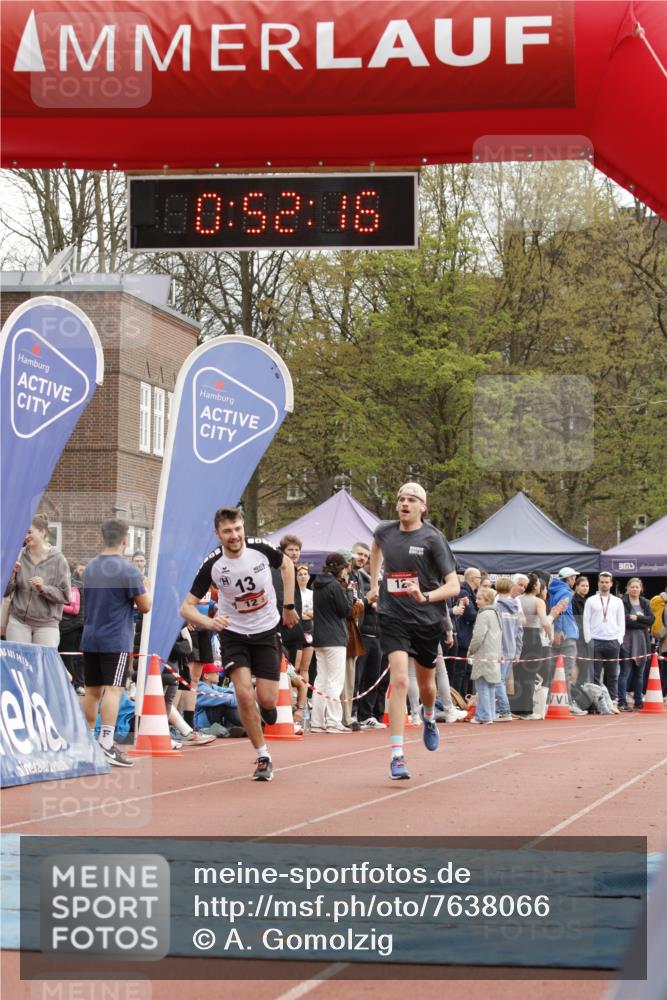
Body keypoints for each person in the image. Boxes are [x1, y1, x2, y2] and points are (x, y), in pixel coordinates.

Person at [180, 506, 299, 782]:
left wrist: (289, 605)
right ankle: (263, 756)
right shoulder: (212, 564)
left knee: (267, 701)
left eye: (237, 529)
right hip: (234, 635)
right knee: (244, 694)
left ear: (243, 527)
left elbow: (287, 565)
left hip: (267, 631)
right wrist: (210, 623)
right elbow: (186, 608)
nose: (234, 536)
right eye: (227, 532)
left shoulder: (260, 548)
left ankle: (267, 711)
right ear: (217, 534)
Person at [368, 482, 459, 780]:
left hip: (426, 618)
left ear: (423, 506)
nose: (404, 503)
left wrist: (425, 597)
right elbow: (376, 546)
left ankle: (429, 717)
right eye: (400, 499)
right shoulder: (385, 530)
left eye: (411, 500)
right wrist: (373, 584)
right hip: (392, 615)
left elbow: (454, 586)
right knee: (399, 680)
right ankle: (397, 755)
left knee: (427, 687)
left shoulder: (433, 538)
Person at [81, 520, 151, 766]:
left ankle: (88, 740)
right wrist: (146, 588)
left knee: (92, 690)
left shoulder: (90, 566)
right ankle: (107, 744)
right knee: (114, 688)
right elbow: (145, 606)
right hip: (114, 637)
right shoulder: (128, 569)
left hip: (90, 634)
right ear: (125, 539)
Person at [5, 513, 71, 647]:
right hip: (18, 622)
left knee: (41, 666)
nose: (25, 536)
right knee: (18, 665)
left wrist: (43, 589)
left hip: (46, 625)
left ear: (42, 532)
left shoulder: (58, 559)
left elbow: (65, 595)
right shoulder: (17, 555)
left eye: (29, 532)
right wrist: (11, 575)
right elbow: (5, 592)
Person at [309, 553, 357, 733]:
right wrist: (350, 592)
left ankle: (317, 721)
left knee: (321, 680)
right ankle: (333, 721)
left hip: (319, 637)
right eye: (345, 567)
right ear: (340, 568)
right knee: (335, 681)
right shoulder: (336, 586)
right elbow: (345, 610)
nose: (346, 571)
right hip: (335, 638)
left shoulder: (316, 585)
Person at [583, 571, 625, 711]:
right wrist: (589, 639)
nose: (604, 584)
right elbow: (586, 621)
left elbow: (621, 621)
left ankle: (613, 702)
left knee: (613, 674)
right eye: (602, 582)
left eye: (607, 582)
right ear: (598, 583)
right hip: (596, 641)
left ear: (611, 584)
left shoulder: (617, 601)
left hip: (613, 641)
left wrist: (619, 639)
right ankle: (597, 704)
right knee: (595, 675)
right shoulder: (591, 600)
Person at [548, 567, 586, 714]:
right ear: (569, 579)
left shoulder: (554, 590)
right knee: (567, 672)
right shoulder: (565, 592)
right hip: (566, 635)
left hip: (558, 634)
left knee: (554, 672)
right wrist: (559, 630)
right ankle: (568, 704)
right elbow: (561, 610)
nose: (575, 580)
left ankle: (553, 702)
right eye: (573, 578)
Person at [513, 573, 553, 714]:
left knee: (517, 672)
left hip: (518, 636)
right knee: (529, 674)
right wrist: (550, 634)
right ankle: (526, 709)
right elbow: (544, 620)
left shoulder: (517, 599)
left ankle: (515, 706)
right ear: (536, 586)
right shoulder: (538, 602)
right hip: (533, 638)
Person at [468, 586, 502, 724]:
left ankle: (484, 716)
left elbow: (478, 636)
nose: (476, 601)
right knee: (491, 686)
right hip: (494, 654)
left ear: (487, 600)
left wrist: (471, 649)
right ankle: (490, 714)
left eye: (479, 598)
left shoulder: (483, 614)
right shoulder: (496, 613)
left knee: (482, 686)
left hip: (484, 654)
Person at [619, 578, 654, 711]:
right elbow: (626, 621)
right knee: (625, 672)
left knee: (639, 674)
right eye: (632, 587)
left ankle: (638, 701)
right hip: (627, 641)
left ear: (641, 589)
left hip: (642, 642)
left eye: (637, 587)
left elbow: (651, 620)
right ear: (628, 588)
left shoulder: (645, 602)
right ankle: (622, 701)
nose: (634, 589)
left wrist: (638, 618)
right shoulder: (623, 602)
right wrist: (642, 622)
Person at [450, 566, 481, 698]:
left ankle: (461, 696)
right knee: (459, 671)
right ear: (474, 578)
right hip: (462, 635)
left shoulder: (468, 592)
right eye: (480, 578)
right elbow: (470, 614)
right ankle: (457, 698)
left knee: (462, 670)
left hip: (464, 635)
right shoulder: (464, 593)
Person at [494, 577, 522, 721]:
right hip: (510, 650)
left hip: (500, 650)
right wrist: (517, 652)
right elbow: (519, 631)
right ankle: (500, 709)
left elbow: (495, 631)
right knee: (501, 680)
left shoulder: (496, 607)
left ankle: (504, 710)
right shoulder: (515, 607)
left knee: (498, 681)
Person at [59, 559, 86, 693]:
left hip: (70, 627)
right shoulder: (78, 585)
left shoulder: (73, 587)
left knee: (68, 656)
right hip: (77, 626)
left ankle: (72, 684)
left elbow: (75, 609)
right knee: (75, 657)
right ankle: (77, 684)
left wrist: (57, 605)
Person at [572, 575, 592, 684]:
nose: (585, 588)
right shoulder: (574, 601)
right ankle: (579, 693)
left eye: (587, 586)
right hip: (579, 638)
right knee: (582, 667)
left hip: (586, 637)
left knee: (586, 669)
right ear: (577, 586)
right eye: (583, 585)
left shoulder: (587, 601)